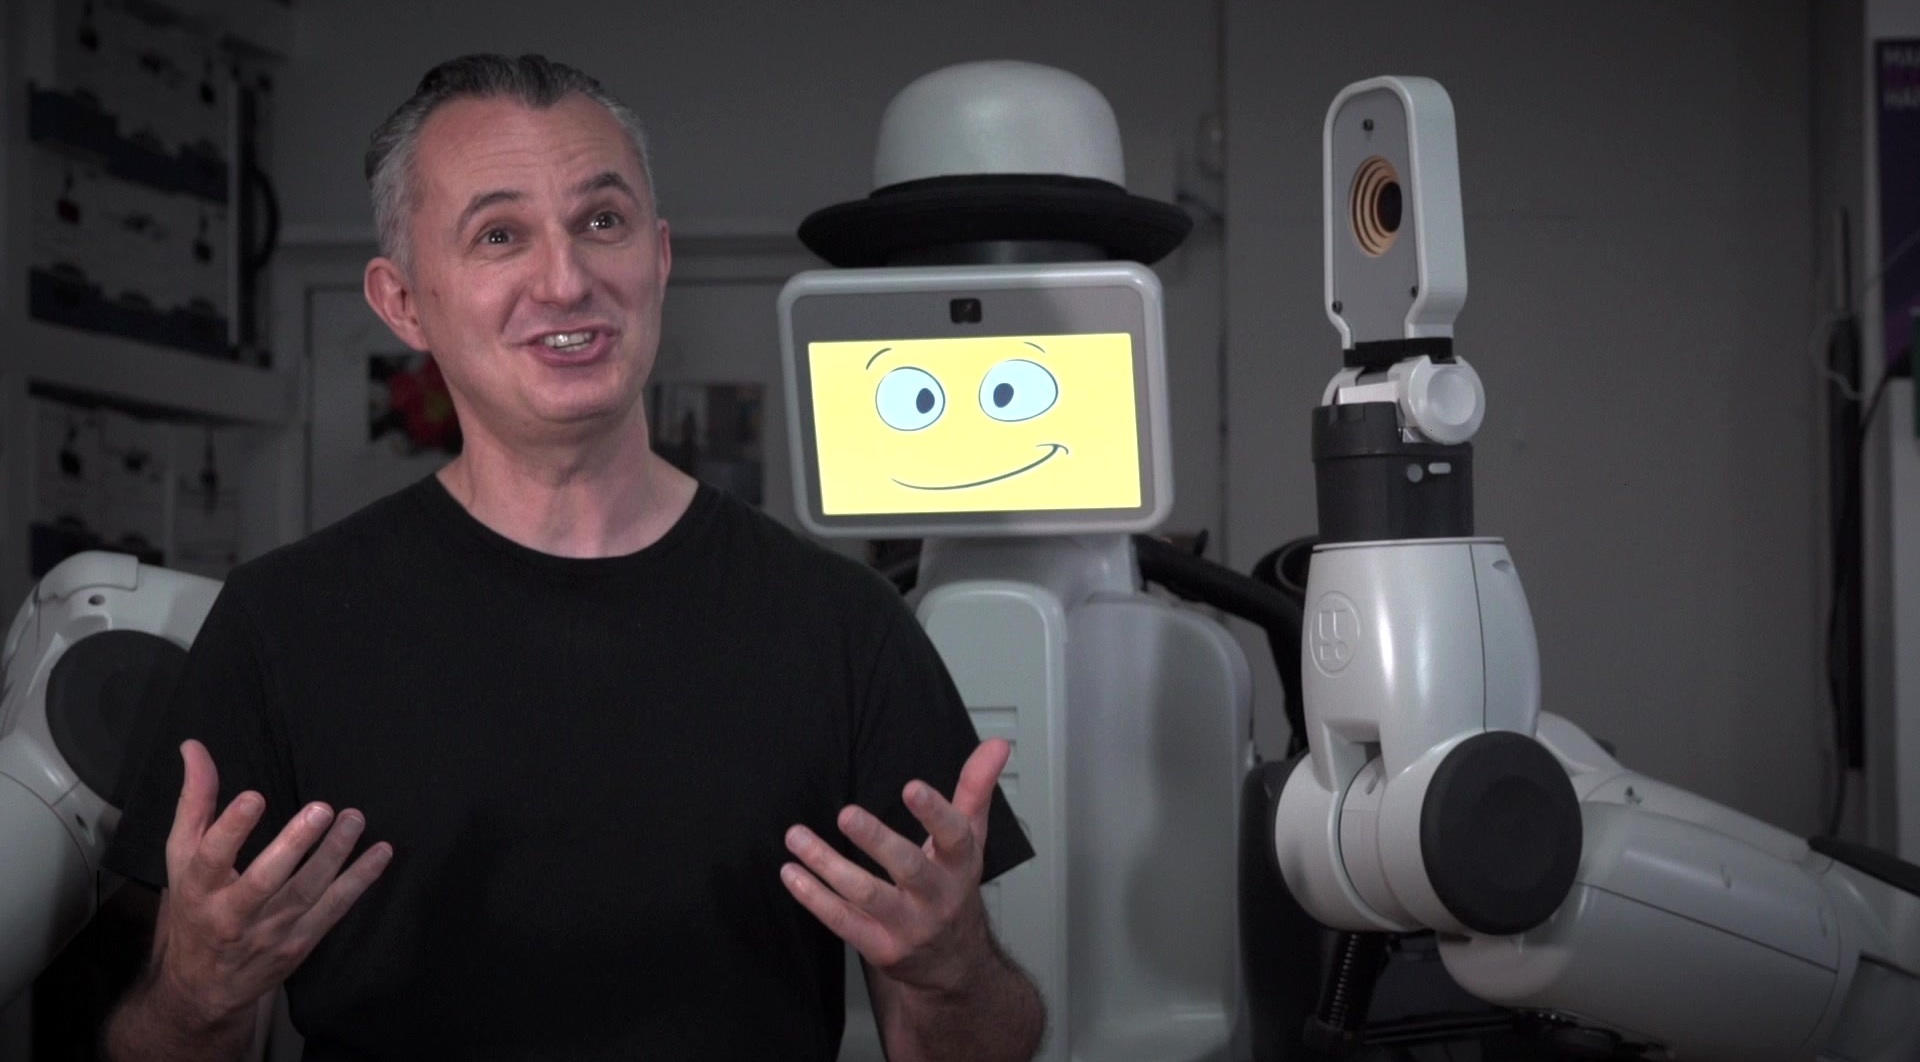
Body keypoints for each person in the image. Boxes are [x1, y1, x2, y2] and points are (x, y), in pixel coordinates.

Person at [99, 53, 1044, 1061]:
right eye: (499, 235)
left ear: (659, 256)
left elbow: (982, 1043)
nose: (565, 280)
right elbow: (159, 1043)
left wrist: (954, 970)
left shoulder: (845, 627)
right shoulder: (279, 627)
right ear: (402, 301)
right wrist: (195, 997)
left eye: (601, 221)